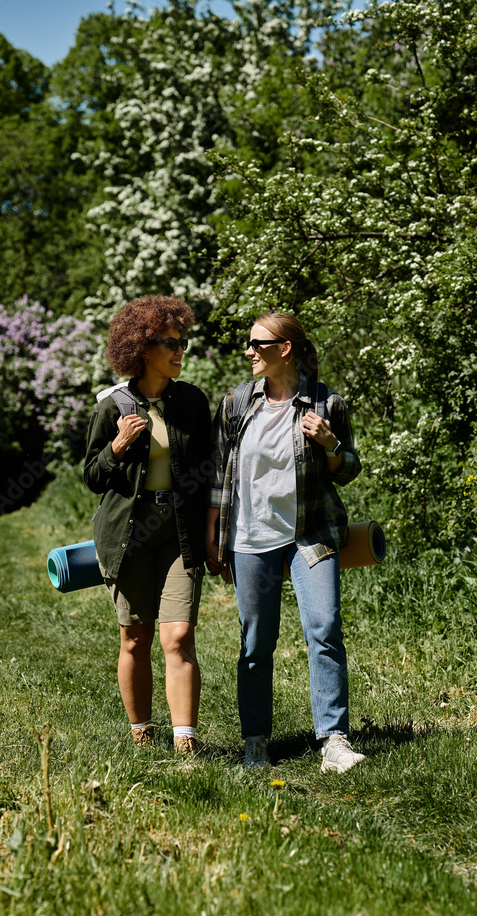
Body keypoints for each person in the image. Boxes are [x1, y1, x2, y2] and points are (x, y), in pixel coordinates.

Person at [206, 312, 365, 773]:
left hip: (309, 535)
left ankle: (334, 740)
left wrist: (331, 445)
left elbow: (349, 470)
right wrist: (214, 537)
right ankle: (255, 741)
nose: (249, 351)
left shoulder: (327, 403)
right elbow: (218, 475)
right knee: (256, 641)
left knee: (325, 627)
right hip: (250, 537)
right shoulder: (236, 404)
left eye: (257, 344)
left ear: (285, 349)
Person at [84, 295, 211, 752]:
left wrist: (214, 533)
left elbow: (211, 473)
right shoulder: (112, 406)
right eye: (170, 343)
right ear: (141, 348)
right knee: (135, 638)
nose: (180, 351)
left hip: (180, 533)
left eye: (182, 342)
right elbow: (92, 477)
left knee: (178, 636)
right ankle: (141, 733)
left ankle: (185, 741)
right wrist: (117, 446)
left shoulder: (192, 401)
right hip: (127, 535)